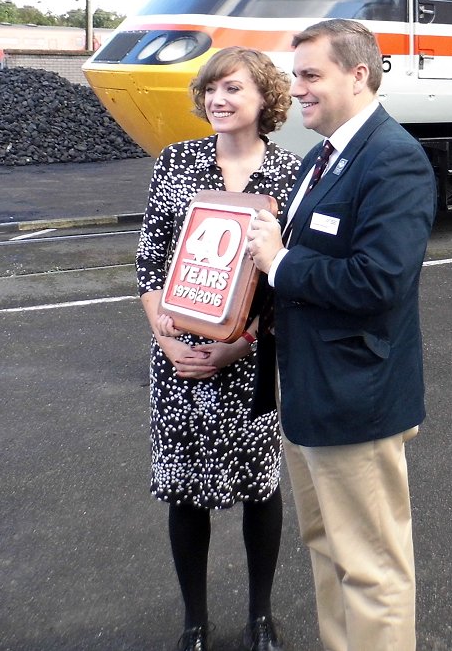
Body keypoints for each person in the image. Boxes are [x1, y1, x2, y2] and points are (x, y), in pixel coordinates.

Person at [245, 19, 437, 651]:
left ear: (358, 76)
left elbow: (378, 281)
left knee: (372, 568)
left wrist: (279, 262)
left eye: (309, 76)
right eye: (294, 75)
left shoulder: (395, 159)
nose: (295, 89)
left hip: (356, 402)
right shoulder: (322, 158)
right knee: (327, 552)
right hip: (309, 396)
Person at [135, 46, 299, 651]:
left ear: (264, 99)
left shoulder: (289, 173)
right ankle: (194, 624)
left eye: (232, 88)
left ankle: (261, 616)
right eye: (210, 89)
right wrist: (165, 338)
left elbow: (288, 275)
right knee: (183, 492)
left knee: (260, 488)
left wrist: (240, 343)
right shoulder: (175, 164)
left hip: (248, 361)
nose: (217, 99)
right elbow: (150, 262)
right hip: (178, 360)